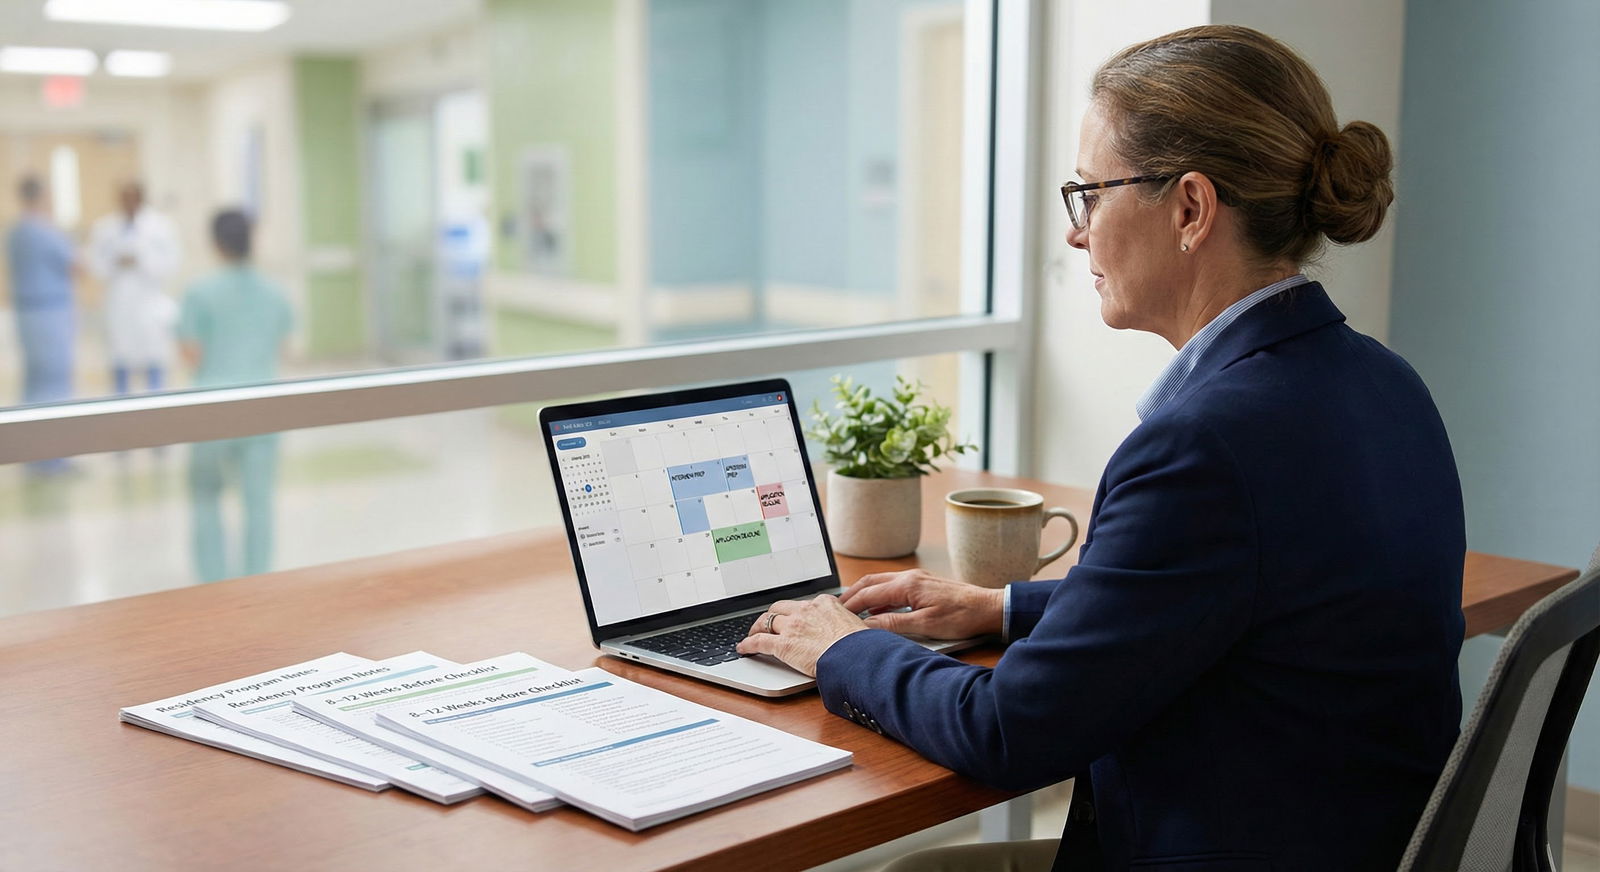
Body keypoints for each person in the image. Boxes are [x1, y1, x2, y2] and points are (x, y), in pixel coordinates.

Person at [738, 25, 1465, 872]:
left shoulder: (1203, 445)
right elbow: (1234, 600)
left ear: (1190, 209)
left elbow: (1008, 730)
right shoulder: (1386, 382)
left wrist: (842, 650)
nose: (1077, 236)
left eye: (1090, 194)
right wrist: (1002, 608)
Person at [178, 209, 292, 583]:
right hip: (262, 407)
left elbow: (191, 352)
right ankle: (257, 582)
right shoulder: (274, 293)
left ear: (216, 243)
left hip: (212, 408)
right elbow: (283, 345)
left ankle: (213, 583)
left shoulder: (199, 292)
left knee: (206, 496)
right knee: (258, 502)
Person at [6, 175, 78, 474]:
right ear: (42, 196)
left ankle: (32, 457)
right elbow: (76, 264)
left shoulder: (14, 233)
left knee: (34, 384)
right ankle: (52, 459)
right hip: (49, 314)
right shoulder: (44, 231)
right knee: (54, 386)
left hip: (27, 314)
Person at [87, 180, 180, 395]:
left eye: (132, 197)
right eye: (124, 197)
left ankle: (156, 403)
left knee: (153, 354)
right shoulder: (105, 227)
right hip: (118, 302)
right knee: (120, 355)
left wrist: (142, 259)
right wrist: (114, 261)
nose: (128, 202)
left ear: (141, 198)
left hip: (149, 300)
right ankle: (121, 404)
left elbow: (172, 261)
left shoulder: (161, 226)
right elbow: (94, 262)